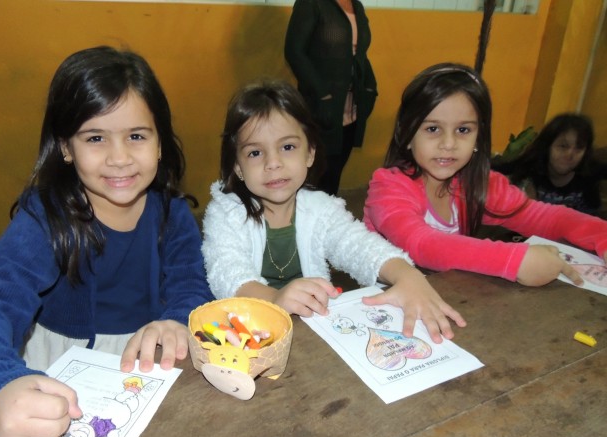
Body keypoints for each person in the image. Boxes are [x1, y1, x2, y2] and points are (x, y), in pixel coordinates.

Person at [0, 46, 213, 437]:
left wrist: (177, 320)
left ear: (160, 143)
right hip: (58, 366)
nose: (119, 158)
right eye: (95, 138)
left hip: (147, 361)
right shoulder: (45, 219)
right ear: (66, 148)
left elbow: (191, 285)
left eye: (137, 136)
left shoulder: (173, 214)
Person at [202, 80, 465, 347]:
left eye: (288, 147)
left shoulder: (322, 209)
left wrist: (407, 275)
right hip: (247, 332)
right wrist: (275, 299)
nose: (273, 163)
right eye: (255, 152)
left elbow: (359, 245)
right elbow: (228, 274)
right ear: (238, 167)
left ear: (310, 153)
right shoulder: (225, 214)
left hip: (310, 329)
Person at [363, 63, 607, 286]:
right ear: (407, 134)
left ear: (478, 138)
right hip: (389, 302)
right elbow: (421, 245)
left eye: (463, 130)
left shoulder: (478, 183)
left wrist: (602, 236)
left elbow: (544, 217)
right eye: (433, 128)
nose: (448, 143)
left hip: (451, 295)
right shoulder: (389, 187)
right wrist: (514, 260)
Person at [284, 0, 377, 196]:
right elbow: (294, 51)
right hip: (322, 107)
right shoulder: (312, 4)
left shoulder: (357, 6)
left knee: (334, 173)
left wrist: (370, 87)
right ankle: (309, 212)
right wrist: (322, 94)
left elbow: (360, 54)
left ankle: (329, 210)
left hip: (352, 106)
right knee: (317, 176)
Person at [495, 113, 602, 215]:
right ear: (547, 146)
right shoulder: (530, 164)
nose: (570, 154)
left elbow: (594, 217)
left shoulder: (591, 173)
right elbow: (493, 170)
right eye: (563, 146)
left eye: (579, 148)